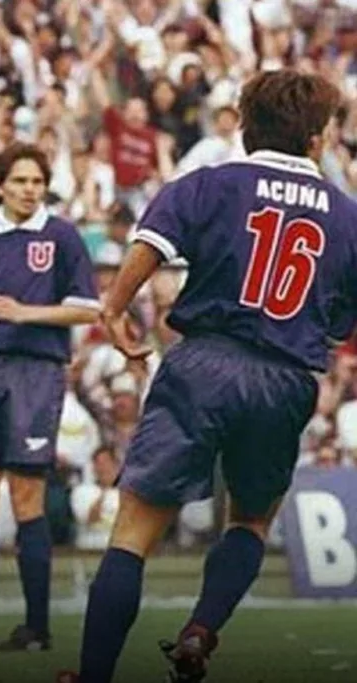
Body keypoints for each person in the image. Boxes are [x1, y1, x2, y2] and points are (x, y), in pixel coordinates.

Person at [58, 69, 357, 683]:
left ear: (248, 128)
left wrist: (114, 309)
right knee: (249, 520)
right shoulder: (347, 214)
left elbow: (151, 242)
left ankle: (93, 677)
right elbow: (340, 319)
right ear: (316, 138)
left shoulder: (210, 183)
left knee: (133, 532)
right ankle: (200, 631)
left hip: (203, 361)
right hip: (287, 376)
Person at [0, 142, 100, 652]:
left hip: (37, 372)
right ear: (0, 185)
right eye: (21, 181)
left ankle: (37, 626)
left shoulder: (62, 236)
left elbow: (87, 309)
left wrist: (26, 313)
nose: (30, 189)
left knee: (27, 496)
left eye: (37, 181)